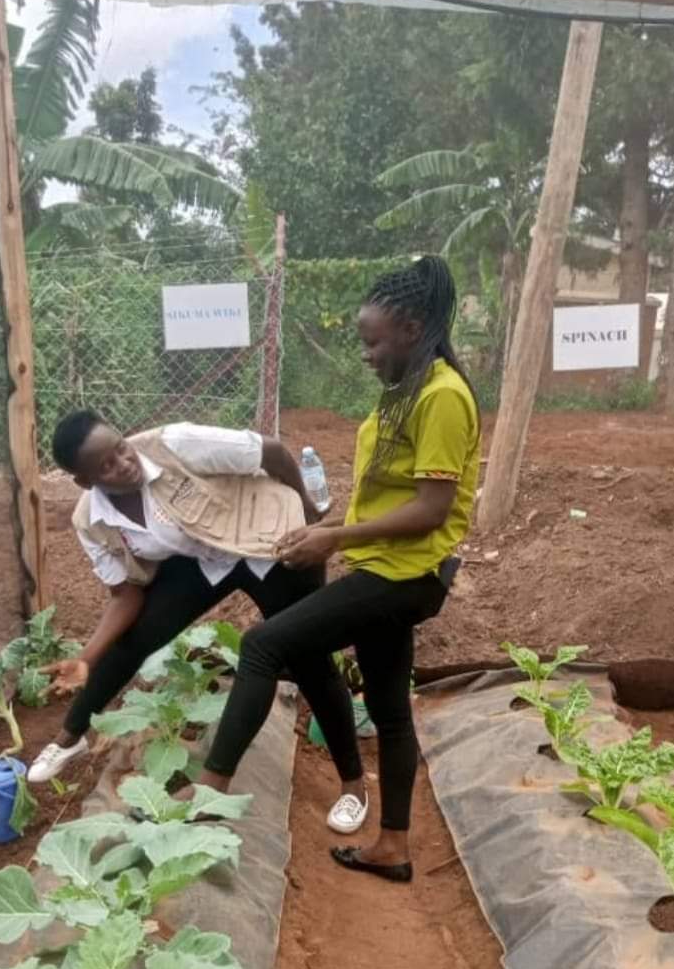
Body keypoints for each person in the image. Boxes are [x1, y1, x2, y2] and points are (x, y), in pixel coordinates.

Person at [183, 256, 481, 883]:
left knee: (264, 645)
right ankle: (393, 846)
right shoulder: (405, 395)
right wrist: (326, 528)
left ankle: (205, 803)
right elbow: (387, 495)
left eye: (373, 341)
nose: (367, 354)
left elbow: (431, 510)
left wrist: (335, 540)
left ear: (412, 326)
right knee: (391, 705)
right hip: (387, 565)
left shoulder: (443, 397)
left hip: (406, 575)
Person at [29, 412, 369, 832]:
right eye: (106, 466)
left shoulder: (175, 443)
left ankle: (354, 785)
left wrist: (310, 516)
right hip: (205, 557)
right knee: (134, 636)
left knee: (309, 662)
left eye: (120, 447)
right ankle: (70, 736)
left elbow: (273, 452)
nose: (124, 462)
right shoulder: (91, 520)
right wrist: (86, 657)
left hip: (273, 541)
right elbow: (126, 595)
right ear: (84, 481)